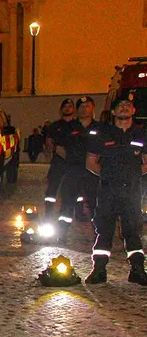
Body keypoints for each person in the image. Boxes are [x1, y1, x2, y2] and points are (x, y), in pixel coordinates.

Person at [84, 98, 147, 285]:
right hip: (108, 190)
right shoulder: (102, 133)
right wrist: (109, 176)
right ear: (113, 112)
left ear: (134, 110)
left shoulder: (141, 134)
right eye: (120, 105)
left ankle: (137, 269)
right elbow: (91, 162)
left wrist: (131, 176)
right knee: (103, 230)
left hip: (132, 191)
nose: (125, 107)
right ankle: (99, 269)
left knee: (133, 230)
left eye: (128, 105)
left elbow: (146, 162)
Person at [56, 96, 102, 241]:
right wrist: (71, 161)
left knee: (95, 204)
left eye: (88, 106)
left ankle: (100, 235)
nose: (85, 109)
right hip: (73, 171)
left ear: (93, 108)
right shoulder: (69, 127)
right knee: (67, 204)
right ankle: (62, 234)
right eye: (82, 106)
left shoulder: (100, 128)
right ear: (77, 110)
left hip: (92, 173)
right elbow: (59, 148)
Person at [43, 98, 76, 217]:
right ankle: (49, 212)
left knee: (74, 189)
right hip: (58, 162)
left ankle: (75, 212)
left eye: (70, 106)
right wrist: (55, 149)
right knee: (52, 188)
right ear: (61, 109)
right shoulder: (55, 126)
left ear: (74, 109)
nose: (67, 108)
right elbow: (49, 141)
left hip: (74, 163)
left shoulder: (77, 126)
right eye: (65, 106)